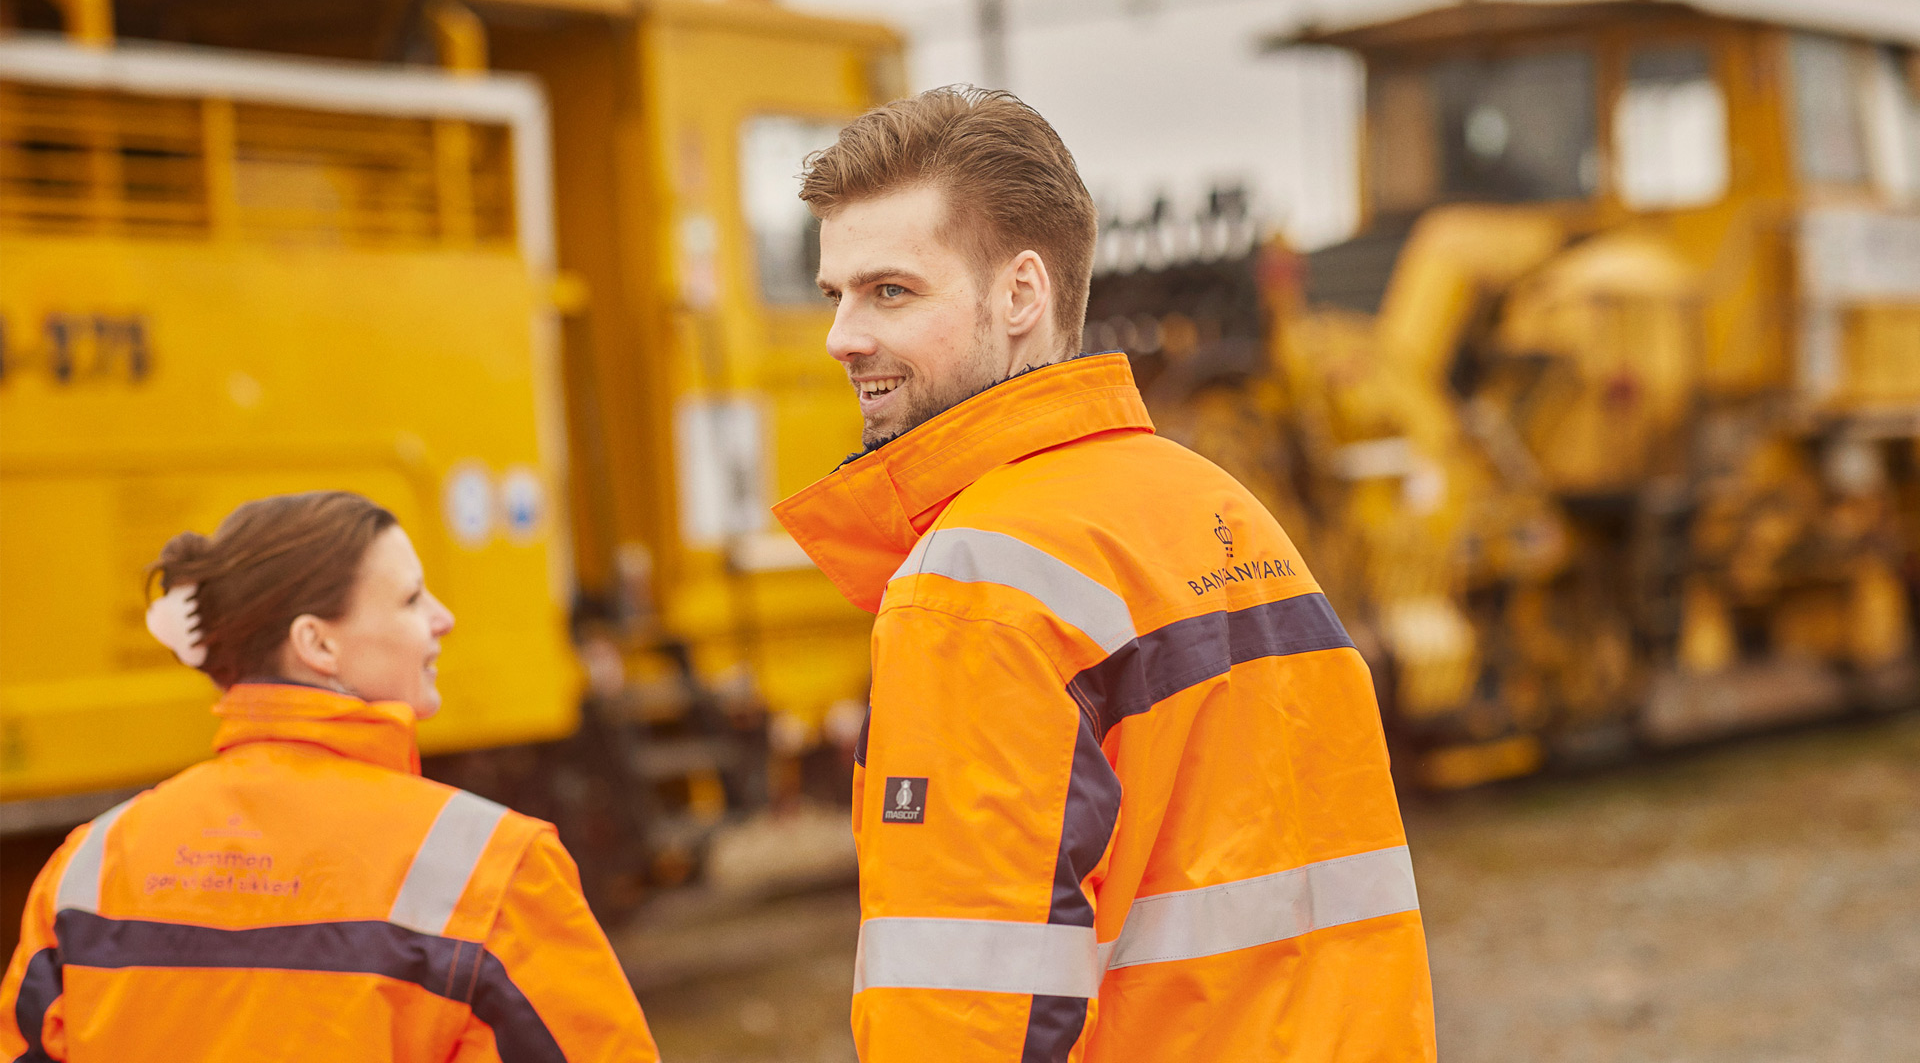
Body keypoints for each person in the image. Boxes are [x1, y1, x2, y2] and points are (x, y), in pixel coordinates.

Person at [773, 87, 1437, 1061]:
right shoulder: (1222, 514)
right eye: (837, 296)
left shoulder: (972, 588)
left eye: (891, 292)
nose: (842, 338)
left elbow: (963, 1016)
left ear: (1022, 296)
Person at [0, 491, 659, 1062]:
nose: (443, 618)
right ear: (317, 644)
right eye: (409, 598)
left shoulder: (88, 866)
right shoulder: (496, 867)